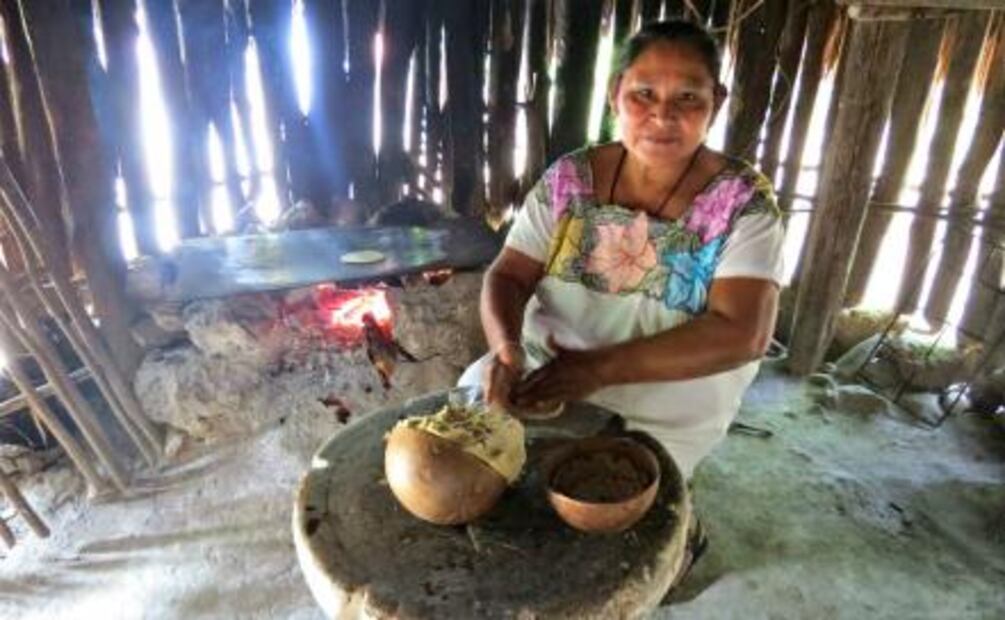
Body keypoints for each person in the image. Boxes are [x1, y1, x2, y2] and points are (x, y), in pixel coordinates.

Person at [459, 20, 783, 481]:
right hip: (541, 372)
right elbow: (508, 277)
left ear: (718, 102)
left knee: (609, 498)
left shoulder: (740, 205)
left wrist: (598, 369)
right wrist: (507, 354)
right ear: (615, 93)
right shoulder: (571, 180)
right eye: (643, 93)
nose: (663, 115)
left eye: (688, 97)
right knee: (465, 459)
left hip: (665, 402)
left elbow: (742, 333)